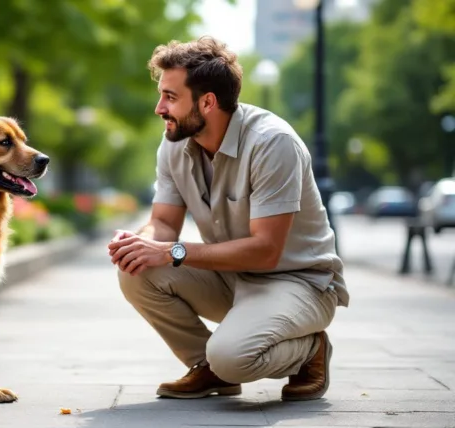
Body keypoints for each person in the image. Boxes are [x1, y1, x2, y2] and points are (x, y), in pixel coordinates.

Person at [108, 36, 349, 402]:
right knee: (135, 270)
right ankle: (207, 368)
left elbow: (266, 251)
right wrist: (141, 242)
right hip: (232, 276)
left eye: (170, 97)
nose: (159, 108)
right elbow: (164, 222)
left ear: (207, 102)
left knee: (233, 358)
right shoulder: (174, 142)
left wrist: (171, 251)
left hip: (299, 282)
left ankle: (310, 350)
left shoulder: (272, 143)